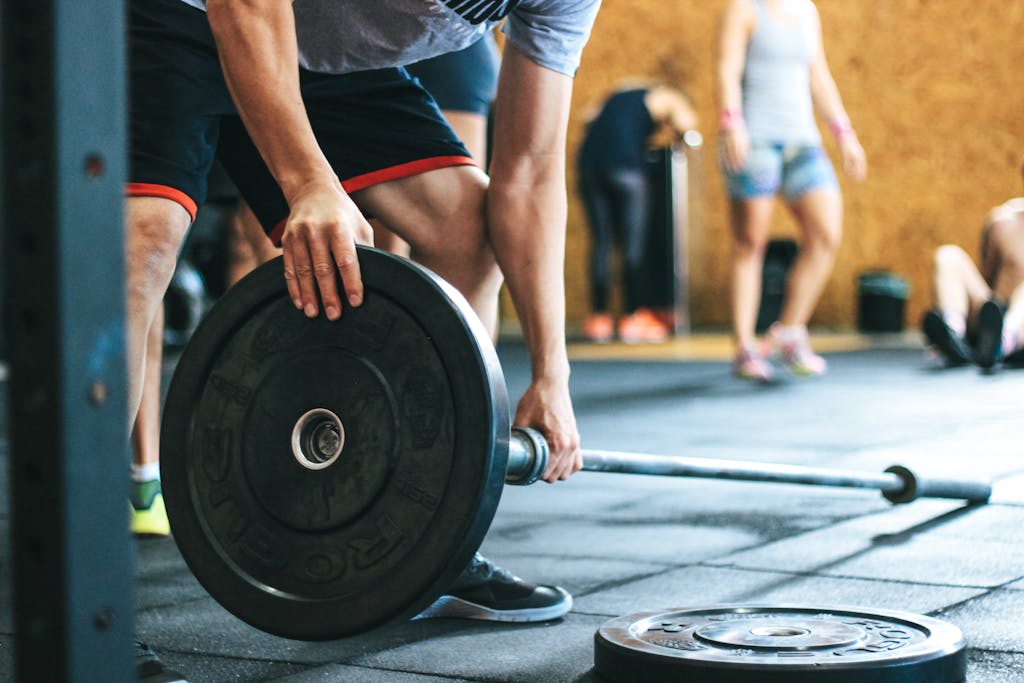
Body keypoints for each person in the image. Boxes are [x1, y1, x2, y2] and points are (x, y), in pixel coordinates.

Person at [126, 0, 600, 678]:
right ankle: (87, 598)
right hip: (182, 14)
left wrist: (552, 371)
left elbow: (529, 171)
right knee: (142, 243)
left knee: (466, 233)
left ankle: (423, 540)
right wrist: (309, 182)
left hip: (316, 58)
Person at [717, 0, 867, 382]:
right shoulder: (745, 8)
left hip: (802, 141)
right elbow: (727, 68)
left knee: (825, 234)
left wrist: (844, 134)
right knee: (751, 242)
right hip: (756, 142)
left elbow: (818, 76)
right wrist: (732, 123)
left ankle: (789, 332)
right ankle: (744, 348)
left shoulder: (806, 10)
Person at [577, 83, 699, 344]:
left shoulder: (619, 94)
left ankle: (599, 319)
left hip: (590, 166)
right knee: (634, 244)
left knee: (602, 243)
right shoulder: (667, 97)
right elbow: (685, 124)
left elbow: (587, 118)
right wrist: (684, 135)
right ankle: (634, 317)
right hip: (626, 169)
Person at [922, 158, 1024, 370]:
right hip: (992, 314)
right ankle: (952, 335)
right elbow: (986, 275)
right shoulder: (1002, 221)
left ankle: (1003, 342)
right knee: (948, 256)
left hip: (1019, 327)